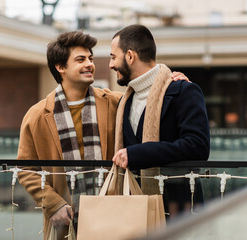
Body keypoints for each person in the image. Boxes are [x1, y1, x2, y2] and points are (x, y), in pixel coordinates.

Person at [17, 30, 189, 240]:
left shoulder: (117, 102)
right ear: (60, 67)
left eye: (90, 58)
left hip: (111, 213)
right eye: (80, 59)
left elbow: (150, 94)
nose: (90, 64)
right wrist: (53, 204)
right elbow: (26, 169)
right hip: (65, 220)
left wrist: (171, 82)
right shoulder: (37, 115)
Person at [110, 25, 210, 202]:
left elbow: (198, 147)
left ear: (130, 56)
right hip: (135, 210)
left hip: (178, 210)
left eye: (113, 57)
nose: (111, 64)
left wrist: (138, 154)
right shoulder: (123, 101)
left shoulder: (184, 91)